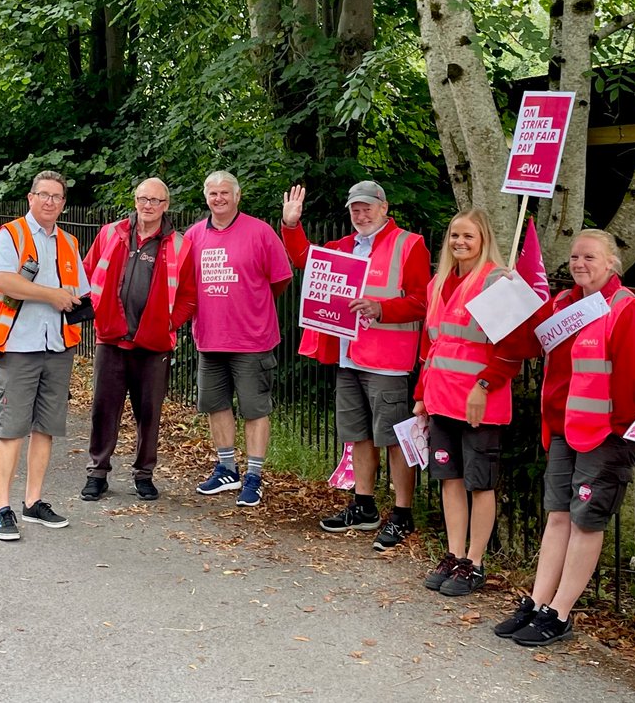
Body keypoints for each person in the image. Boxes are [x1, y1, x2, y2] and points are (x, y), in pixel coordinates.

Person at [493, 229, 635, 646]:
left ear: (612, 262)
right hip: (565, 429)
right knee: (558, 516)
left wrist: (618, 433)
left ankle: (560, 612)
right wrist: (512, 298)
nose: (579, 263)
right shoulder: (565, 304)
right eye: (575, 257)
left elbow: (634, 385)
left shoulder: (627, 310)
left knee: (586, 521)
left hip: (606, 435)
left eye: (590, 256)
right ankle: (538, 601)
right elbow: (526, 344)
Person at [281, 180, 430, 548]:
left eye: (367, 208)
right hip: (348, 356)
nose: (361, 215)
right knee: (358, 434)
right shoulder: (343, 246)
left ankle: (402, 514)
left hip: (388, 360)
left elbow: (422, 301)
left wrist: (382, 308)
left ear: (384, 207)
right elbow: (304, 260)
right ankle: (363, 506)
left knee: (394, 439)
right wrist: (290, 224)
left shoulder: (409, 244)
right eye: (355, 209)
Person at [415, 210, 533, 596]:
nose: (459, 242)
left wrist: (484, 384)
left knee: (480, 483)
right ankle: (454, 553)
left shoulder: (497, 281)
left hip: (479, 399)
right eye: (454, 235)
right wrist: (421, 396)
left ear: (483, 239)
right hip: (441, 397)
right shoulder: (439, 283)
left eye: (468, 236)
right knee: (449, 480)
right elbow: (433, 347)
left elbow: (515, 348)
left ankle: (475, 562)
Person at [0, 170, 90, 541]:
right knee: (11, 430)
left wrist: (79, 304)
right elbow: (1, 279)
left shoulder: (69, 242)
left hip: (58, 346)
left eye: (57, 196)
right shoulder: (11, 235)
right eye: (43, 195)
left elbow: (78, 290)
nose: (50, 202)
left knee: (46, 428)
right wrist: (52, 294)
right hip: (17, 345)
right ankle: (1, 508)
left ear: (63, 203)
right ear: (30, 198)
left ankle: (33, 502)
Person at [80, 178, 196, 502]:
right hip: (111, 339)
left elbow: (189, 295)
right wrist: (99, 315)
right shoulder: (110, 233)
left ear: (166, 205)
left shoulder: (179, 244)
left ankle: (144, 475)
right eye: (143, 198)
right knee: (103, 409)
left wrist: (168, 324)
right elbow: (88, 273)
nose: (148, 205)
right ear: (135, 201)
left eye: (156, 200)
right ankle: (97, 473)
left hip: (153, 345)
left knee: (149, 414)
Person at [186, 170, 292, 507]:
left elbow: (280, 280)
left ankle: (254, 476)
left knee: (254, 409)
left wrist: (250, 303)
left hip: (252, 340)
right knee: (215, 405)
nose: (218, 199)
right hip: (209, 337)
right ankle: (227, 469)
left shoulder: (260, 232)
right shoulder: (192, 236)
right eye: (213, 193)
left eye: (224, 193)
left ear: (237, 196)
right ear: (206, 197)